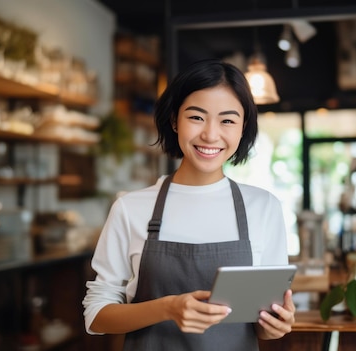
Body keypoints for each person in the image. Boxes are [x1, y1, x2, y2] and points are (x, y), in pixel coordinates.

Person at [82, 58, 295, 350]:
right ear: (174, 120)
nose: (210, 134)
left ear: (243, 128)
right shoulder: (131, 208)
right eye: (196, 117)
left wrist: (274, 328)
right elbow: (96, 316)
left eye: (228, 120)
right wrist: (167, 308)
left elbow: (261, 325)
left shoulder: (264, 207)